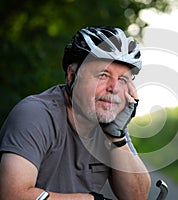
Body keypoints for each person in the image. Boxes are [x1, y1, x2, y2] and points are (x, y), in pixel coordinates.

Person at [0, 26, 151, 200]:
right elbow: (12, 195)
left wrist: (116, 137)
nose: (114, 88)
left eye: (123, 79)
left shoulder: (110, 125)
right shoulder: (35, 115)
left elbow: (137, 197)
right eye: (103, 75)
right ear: (72, 76)